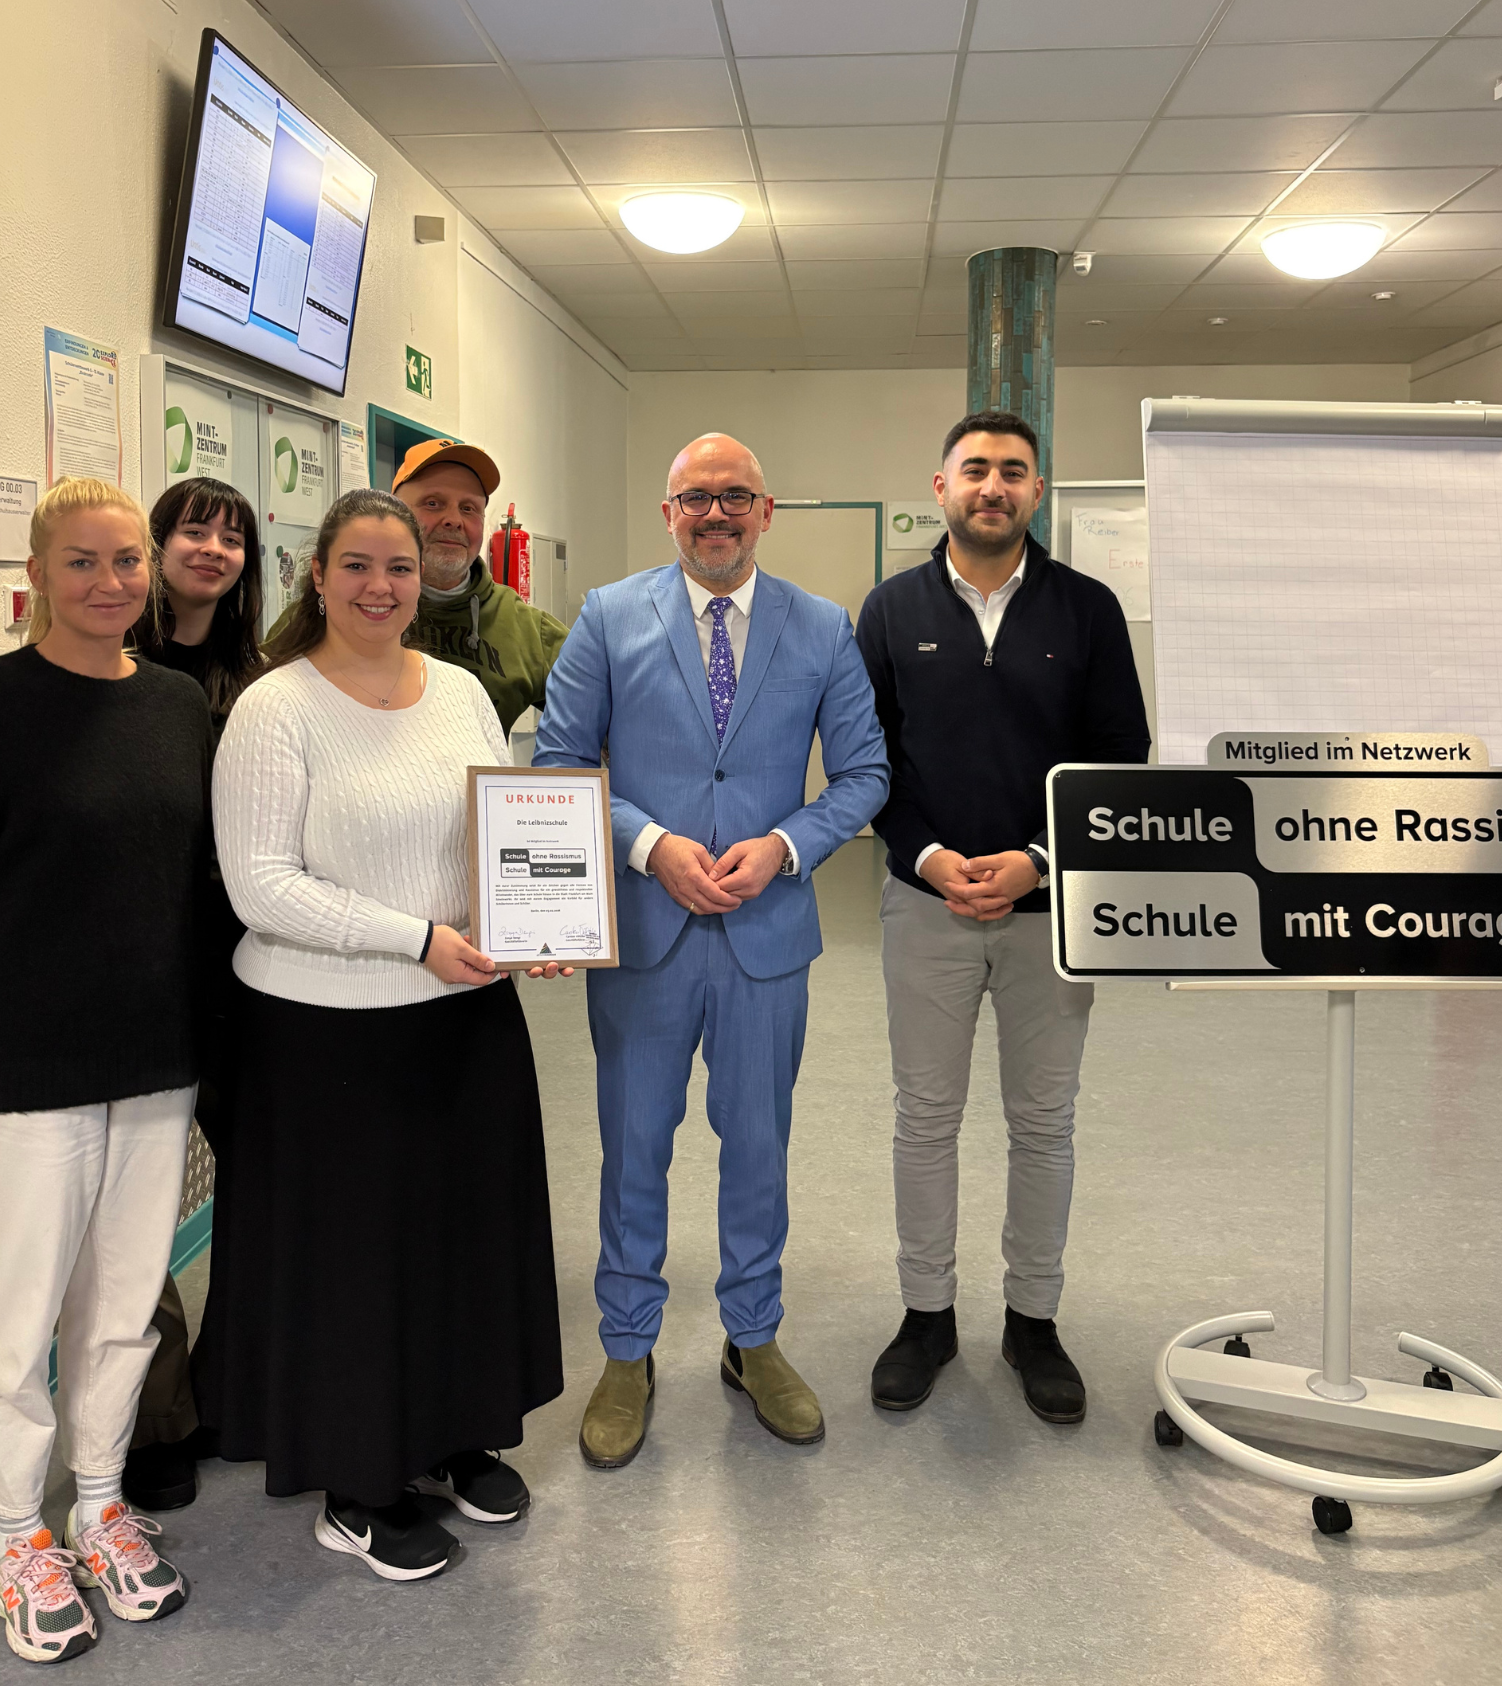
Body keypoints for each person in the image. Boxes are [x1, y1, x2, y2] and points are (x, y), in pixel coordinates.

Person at [196, 488, 567, 1584]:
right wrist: (414, 939)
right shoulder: (277, 707)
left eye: (398, 569)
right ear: (317, 576)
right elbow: (260, 886)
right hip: (324, 1033)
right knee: (354, 1264)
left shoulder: (457, 690)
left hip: (462, 1017)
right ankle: (357, 1486)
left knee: (460, 1235)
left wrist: (527, 921)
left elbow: (491, 836)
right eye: (355, 566)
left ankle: (452, 1433)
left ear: (424, 580)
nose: (378, 588)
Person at [534, 433, 889, 1467]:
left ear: (764, 511)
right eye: (695, 497)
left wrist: (785, 846)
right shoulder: (606, 617)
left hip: (765, 936)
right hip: (644, 935)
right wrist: (646, 844)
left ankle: (753, 1338)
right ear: (667, 514)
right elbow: (560, 762)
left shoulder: (821, 629)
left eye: (734, 496)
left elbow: (862, 775)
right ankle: (627, 1348)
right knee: (633, 1147)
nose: (715, 514)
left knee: (758, 1150)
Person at [855, 411, 1150, 1423]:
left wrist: (1033, 863)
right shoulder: (890, 608)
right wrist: (932, 860)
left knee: (1042, 1122)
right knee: (923, 1118)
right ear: (937, 486)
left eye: (1012, 471)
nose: (992, 485)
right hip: (921, 903)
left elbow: (1120, 759)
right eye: (974, 469)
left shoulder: (1087, 609)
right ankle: (925, 1314)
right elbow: (867, 762)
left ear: (1036, 490)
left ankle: (1033, 1320)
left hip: (1050, 914)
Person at [1, 478, 207, 1664]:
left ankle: (97, 1504)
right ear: (37, 576)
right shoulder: (3, 700)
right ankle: (14, 1530)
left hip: (155, 1056)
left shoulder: (178, 705)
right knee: (18, 1312)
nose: (111, 583)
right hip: (27, 1065)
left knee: (124, 1309)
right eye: (82, 562)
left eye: (127, 560)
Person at [122, 477, 264, 1514]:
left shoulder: (262, 682)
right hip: (133, 968)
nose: (210, 548)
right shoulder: (110, 670)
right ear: (155, 543)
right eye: (191, 529)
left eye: (231, 536)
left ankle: (230, 1385)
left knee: (257, 1183)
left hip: (245, 971)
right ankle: (158, 1412)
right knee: (136, 1202)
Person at [265, 439, 566, 735]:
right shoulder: (330, 614)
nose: (453, 520)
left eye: (469, 508)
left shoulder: (527, 629)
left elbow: (601, 710)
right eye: (432, 503)